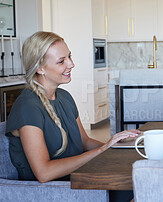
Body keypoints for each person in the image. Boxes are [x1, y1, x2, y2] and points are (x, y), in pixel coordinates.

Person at [5, 31, 140, 183]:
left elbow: (84, 142)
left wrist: (116, 146)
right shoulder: (27, 108)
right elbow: (44, 173)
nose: (71, 64)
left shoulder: (64, 96)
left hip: (79, 175)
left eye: (69, 56)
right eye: (61, 61)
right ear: (40, 68)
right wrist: (102, 150)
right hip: (58, 190)